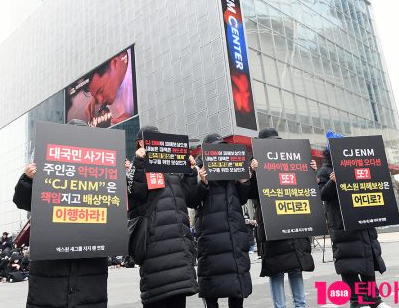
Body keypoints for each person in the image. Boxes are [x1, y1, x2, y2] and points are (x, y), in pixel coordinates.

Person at [13, 119, 108, 308]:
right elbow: (21, 201)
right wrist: (27, 179)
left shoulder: (102, 171)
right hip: (50, 275)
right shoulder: (47, 167)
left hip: (90, 272)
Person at [127, 125, 199, 308]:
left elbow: (190, 199)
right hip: (154, 252)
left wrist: (190, 172)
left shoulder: (174, 172)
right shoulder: (137, 168)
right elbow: (135, 192)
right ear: (140, 144)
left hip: (179, 253)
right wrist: (140, 161)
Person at [249, 128, 316, 308]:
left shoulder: (292, 158)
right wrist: (253, 173)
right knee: (276, 271)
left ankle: (300, 305)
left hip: (293, 224)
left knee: (296, 269)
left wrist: (310, 172)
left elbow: (306, 189)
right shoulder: (255, 163)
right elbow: (251, 193)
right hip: (272, 226)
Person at [317, 148, 390, 308]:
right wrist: (333, 181)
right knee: (348, 264)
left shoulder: (358, 166)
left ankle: (374, 299)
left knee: (368, 260)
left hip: (363, 222)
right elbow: (321, 194)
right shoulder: (325, 170)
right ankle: (357, 301)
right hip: (342, 226)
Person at [188, 133, 252, 308]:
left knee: (237, 287)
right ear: (206, 150)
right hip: (211, 237)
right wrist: (203, 183)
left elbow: (243, 198)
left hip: (234, 235)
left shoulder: (233, 168)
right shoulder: (198, 170)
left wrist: (244, 182)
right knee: (211, 286)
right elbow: (191, 200)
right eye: (215, 146)